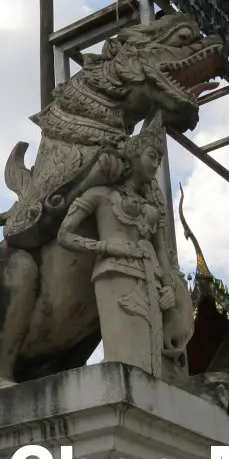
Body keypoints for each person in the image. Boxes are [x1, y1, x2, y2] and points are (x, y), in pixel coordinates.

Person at [56, 119, 191, 381]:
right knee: (128, 361)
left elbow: (162, 252)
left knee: (151, 366)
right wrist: (104, 246)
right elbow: (64, 234)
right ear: (134, 154)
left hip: (150, 280)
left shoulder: (152, 209)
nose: (156, 164)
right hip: (114, 273)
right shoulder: (100, 194)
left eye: (160, 159)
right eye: (152, 156)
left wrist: (169, 287)